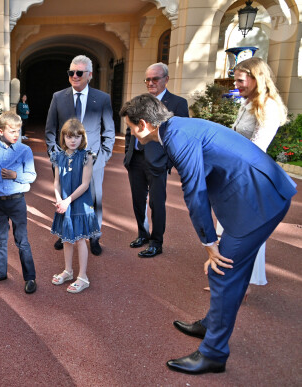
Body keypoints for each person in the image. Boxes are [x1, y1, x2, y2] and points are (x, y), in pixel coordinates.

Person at [119, 94, 296, 374]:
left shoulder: (177, 136)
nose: (129, 132)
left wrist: (209, 243)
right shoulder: (176, 127)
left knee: (222, 272)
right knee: (229, 272)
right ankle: (212, 327)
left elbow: (195, 191)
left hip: (259, 201)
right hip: (260, 195)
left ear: (143, 124)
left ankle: (213, 353)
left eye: (129, 126)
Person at [223, 57, 288, 289]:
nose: (236, 85)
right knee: (230, 229)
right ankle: (230, 278)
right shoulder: (247, 102)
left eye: (240, 81)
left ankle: (243, 283)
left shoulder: (267, 105)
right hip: (236, 173)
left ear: (256, 78)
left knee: (244, 232)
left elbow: (256, 149)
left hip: (249, 177)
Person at [45, 55, 115, 256]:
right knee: (66, 196)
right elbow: (50, 130)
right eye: (71, 73)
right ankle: (64, 233)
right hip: (65, 160)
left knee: (94, 199)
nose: (74, 76)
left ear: (89, 75)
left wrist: (103, 158)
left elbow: (109, 131)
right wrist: (54, 155)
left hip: (92, 160)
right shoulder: (58, 97)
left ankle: (94, 236)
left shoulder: (102, 98)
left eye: (79, 73)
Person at [124, 62, 189, 258]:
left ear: (166, 79)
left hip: (158, 161)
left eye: (155, 79)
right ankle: (142, 235)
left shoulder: (178, 103)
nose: (150, 83)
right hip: (135, 159)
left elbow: (180, 136)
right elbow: (130, 130)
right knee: (137, 200)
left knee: (156, 202)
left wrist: (168, 162)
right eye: (147, 79)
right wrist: (128, 152)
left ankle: (156, 242)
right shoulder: (138, 101)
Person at [0, 111, 37, 294]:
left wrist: (16, 176)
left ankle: (30, 278)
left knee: (22, 241)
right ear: (0, 131)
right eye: (12, 131)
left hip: (17, 202)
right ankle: (1, 273)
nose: (16, 135)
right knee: (0, 239)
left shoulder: (24, 150)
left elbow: (31, 176)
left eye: (18, 131)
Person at [50, 118, 100, 293]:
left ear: (82, 138)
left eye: (77, 137)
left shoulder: (87, 156)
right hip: (64, 203)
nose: (73, 140)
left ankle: (83, 277)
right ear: (63, 137)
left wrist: (66, 201)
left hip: (79, 203)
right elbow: (56, 182)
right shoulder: (58, 156)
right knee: (66, 238)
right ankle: (68, 271)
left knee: (80, 240)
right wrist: (58, 199)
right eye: (69, 136)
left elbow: (85, 184)